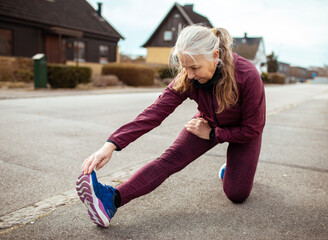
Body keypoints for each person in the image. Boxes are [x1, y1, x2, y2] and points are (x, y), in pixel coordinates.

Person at [76, 25, 266, 228]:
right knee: (168, 160)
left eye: (194, 68)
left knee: (237, 194)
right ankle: (110, 199)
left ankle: (231, 169)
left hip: (243, 132)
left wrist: (213, 134)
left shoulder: (247, 75)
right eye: (185, 67)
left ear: (215, 55)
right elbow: (154, 113)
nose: (190, 75)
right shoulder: (187, 77)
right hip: (206, 123)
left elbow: (253, 129)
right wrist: (111, 144)